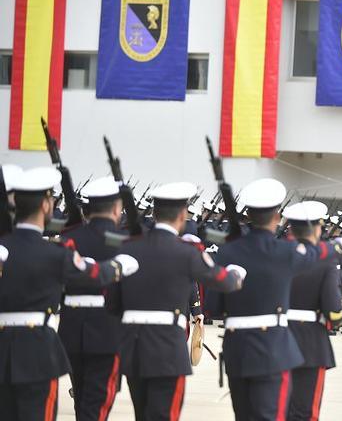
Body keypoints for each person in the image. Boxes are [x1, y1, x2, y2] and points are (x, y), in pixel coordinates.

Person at [0, 167, 138, 421]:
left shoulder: (54, 243)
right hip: (40, 348)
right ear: (45, 205)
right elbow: (95, 274)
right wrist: (120, 266)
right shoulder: (55, 254)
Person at [117, 182, 245, 421]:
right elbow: (224, 281)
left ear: (154, 214)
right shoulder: (187, 252)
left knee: (141, 415)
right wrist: (237, 273)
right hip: (167, 347)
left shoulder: (128, 248)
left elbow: (114, 304)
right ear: (183, 215)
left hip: (133, 346)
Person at [210, 178, 307, 420]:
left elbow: (214, 307)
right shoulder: (286, 251)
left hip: (237, 349)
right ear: (277, 217)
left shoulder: (226, 251)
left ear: (249, 214)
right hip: (273, 348)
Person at [57, 176, 131, 421]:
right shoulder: (126, 242)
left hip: (71, 329)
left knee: (81, 399)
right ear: (116, 208)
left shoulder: (70, 238)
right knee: (97, 404)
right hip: (107, 330)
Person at [283, 200, 342, 421]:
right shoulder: (324, 263)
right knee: (305, 411)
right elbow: (333, 313)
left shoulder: (275, 257)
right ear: (317, 229)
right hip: (310, 343)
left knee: (277, 408)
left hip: (275, 337)